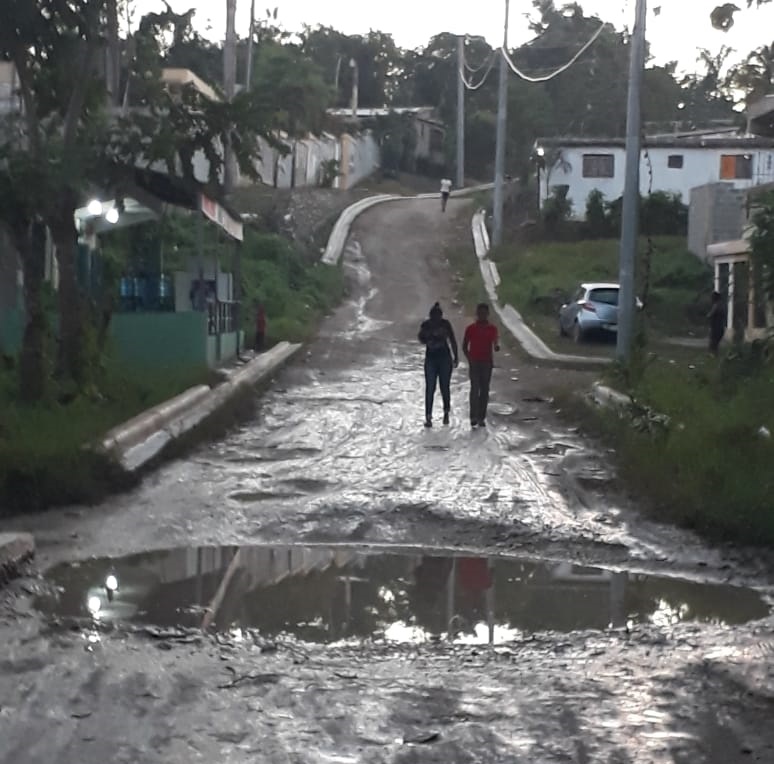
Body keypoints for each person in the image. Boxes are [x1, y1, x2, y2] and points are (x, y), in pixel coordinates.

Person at [418, 302, 459, 427]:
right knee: (431, 388)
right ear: (431, 316)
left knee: (443, 387)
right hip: (431, 359)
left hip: (444, 359)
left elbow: (452, 340)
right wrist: (428, 336)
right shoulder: (426, 325)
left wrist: (456, 356)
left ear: (440, 316)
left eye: (438, 316)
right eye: (434, 316)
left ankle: (445, 412)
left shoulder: (445, 324)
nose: (436, 319)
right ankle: (428, 416)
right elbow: (420, 339)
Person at [463, 303, 499, 428]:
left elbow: (495, 341)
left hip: (487, 363)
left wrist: (496, 346)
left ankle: (481, 417)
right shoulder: (471, 328)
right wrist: (469, 359)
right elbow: (464, 346)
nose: (482, 315)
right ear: (477, 314)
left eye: (484, 313)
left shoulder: (492, 329)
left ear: (487, 314)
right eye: (480, 313)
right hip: (475, 363)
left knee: (484, 390)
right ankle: (473, 416)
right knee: (474, 389)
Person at [708, 291, 726, 356]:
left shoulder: (716, 305)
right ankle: (715, 355)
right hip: (721, 327)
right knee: (716, 343)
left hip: (716, 327)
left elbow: (710, 315)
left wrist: (707, 316)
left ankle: (713, 355)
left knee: (713, 342)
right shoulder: (722, 305)